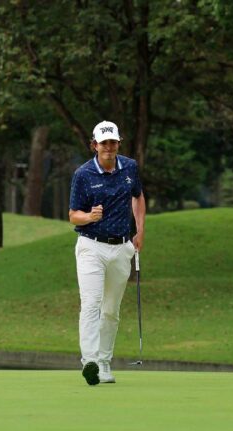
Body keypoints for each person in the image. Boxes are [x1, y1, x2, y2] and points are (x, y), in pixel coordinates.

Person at [68, 120, 146, 386]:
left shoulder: (130, 168)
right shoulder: (83, 174)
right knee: (91, 304)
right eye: (103, 143)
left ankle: (104, 362)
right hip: (91, 246)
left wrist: (140, 230)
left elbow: (138, 196)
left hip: (122, 247)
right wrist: (89, 216)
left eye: (112, 142)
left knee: (111, 310)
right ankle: (89, 361)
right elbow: (73, 216)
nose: (108, 147)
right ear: (94, 145)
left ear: (118, 144)